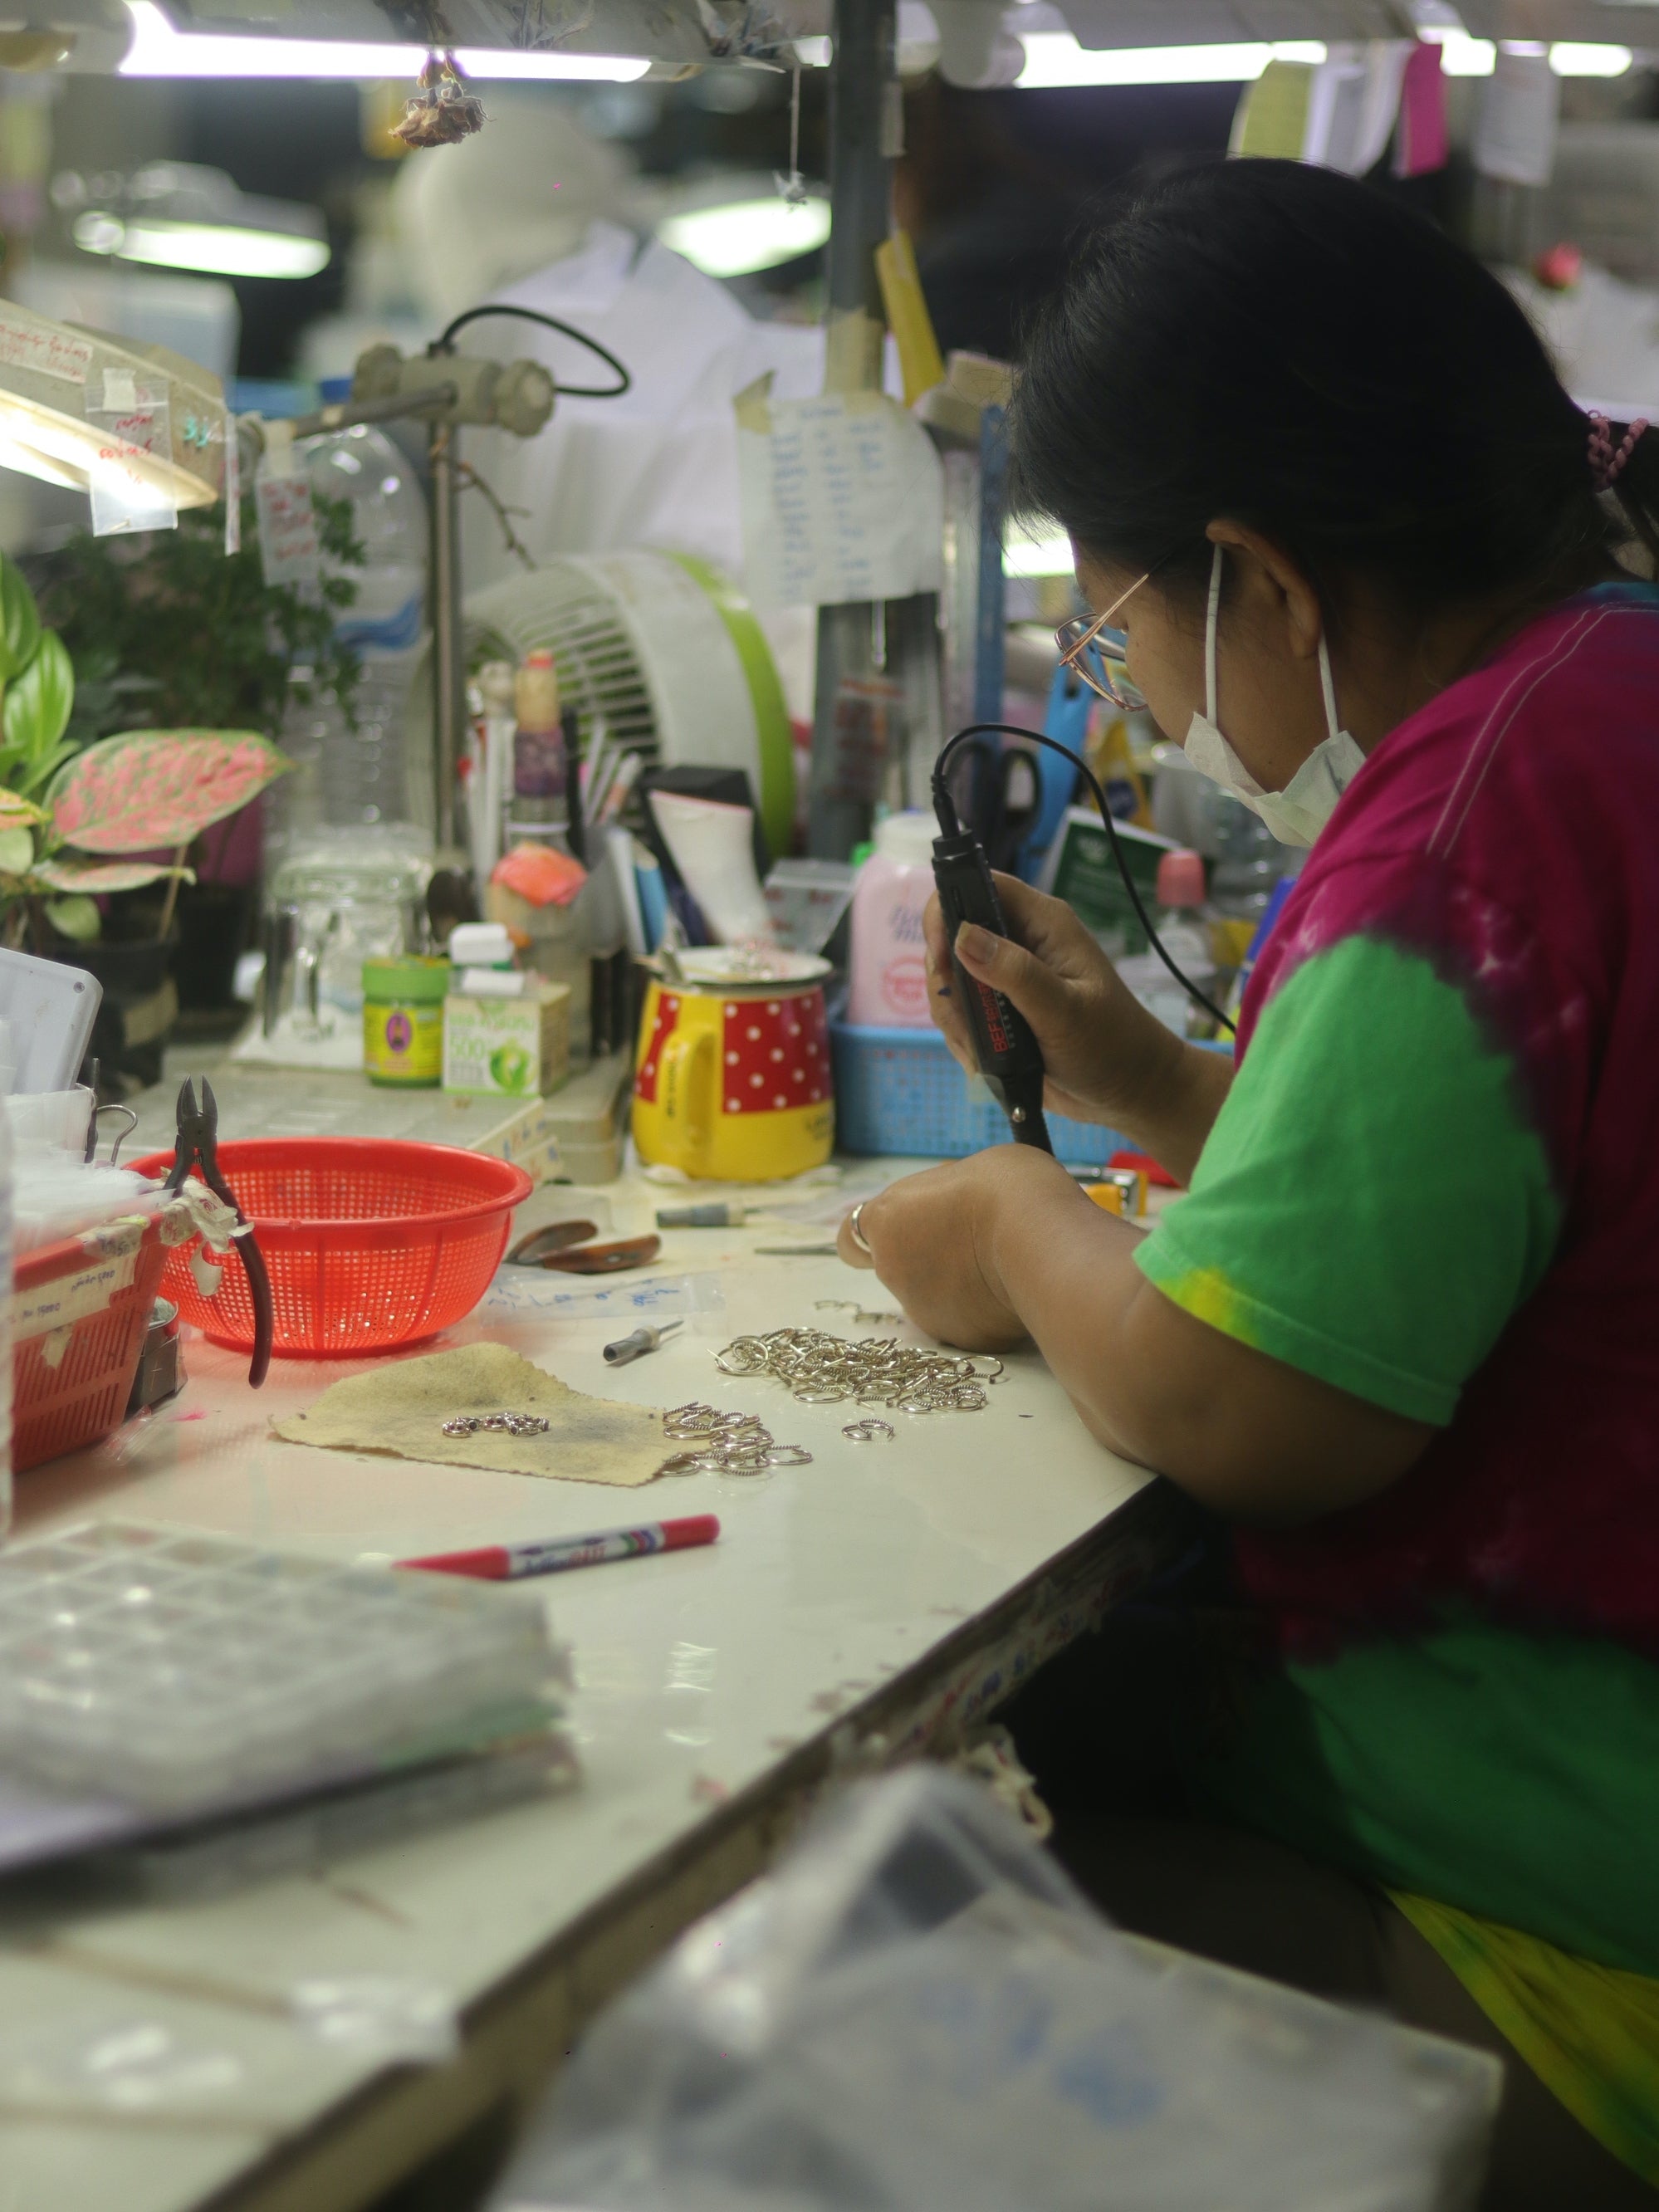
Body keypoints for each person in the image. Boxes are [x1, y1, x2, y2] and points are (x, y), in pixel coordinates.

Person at [836, 159, 1659, 2207]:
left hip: (1563, 1932)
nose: (1153, 701)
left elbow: (1252, 1412)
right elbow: (1513, 1206)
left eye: (1127, 629)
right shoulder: (1607, 689)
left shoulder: (1466, 819)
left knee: (784, 1979)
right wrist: (1152, 1084)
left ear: (1259, 579)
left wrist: (1017, 1226)